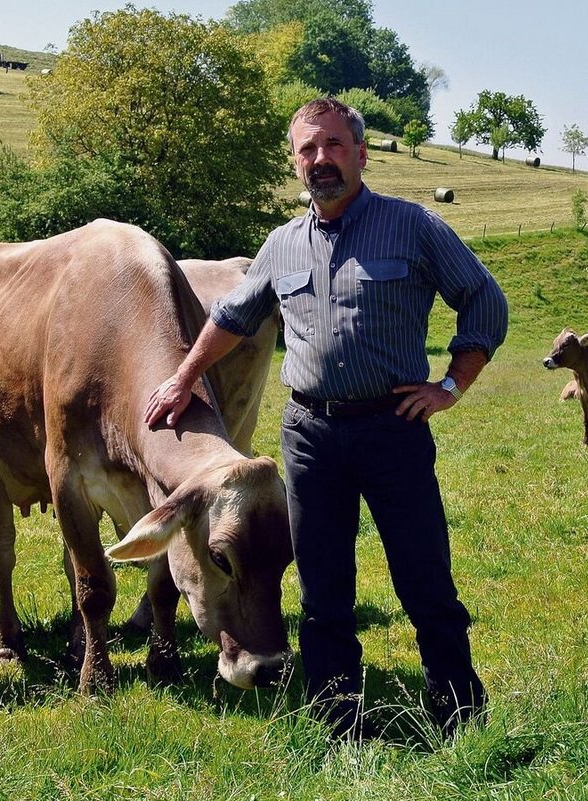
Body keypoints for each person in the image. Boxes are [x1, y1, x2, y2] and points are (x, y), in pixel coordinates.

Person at [144, 97, 508, 739]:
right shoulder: (282, 244)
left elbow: (482, 298)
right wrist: (183, 377)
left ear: (361, 153)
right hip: (310, 434)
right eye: (308, 150)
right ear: (295, 162)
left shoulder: (412, 227)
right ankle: (338, 718)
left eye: (334, 146)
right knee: (321, 585)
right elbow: (232, 315)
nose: (321, 160)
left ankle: (458, 714)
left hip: (392, 426)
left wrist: (451, 384)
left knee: (424, 576)